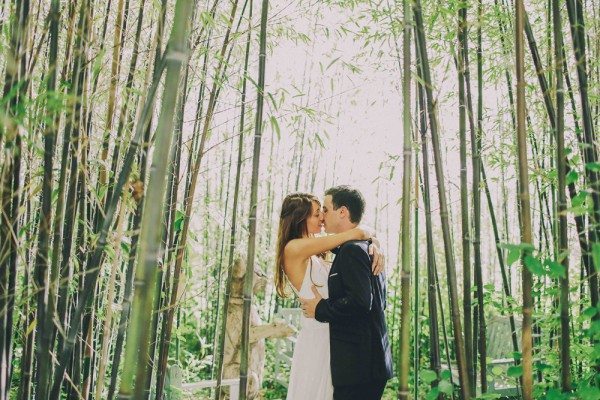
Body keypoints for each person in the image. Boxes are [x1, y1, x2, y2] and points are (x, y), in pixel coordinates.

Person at [274, 193, 385, 400]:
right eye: (317, 214)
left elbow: (362, 235)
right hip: (318, 337)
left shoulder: (316, 247)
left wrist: (374, 243)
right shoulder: (294, 248)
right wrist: (371, 240)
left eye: (323, 212)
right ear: (300, 218)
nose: (323, 218)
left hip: (336, 334)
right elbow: (358, 232)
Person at [300, 186, 394, 400]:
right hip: (369, 363)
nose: (322, 216)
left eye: (326, 209)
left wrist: (320, 309)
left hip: (359, 367)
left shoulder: (352, 251)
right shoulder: (361, 248)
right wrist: (373, 239)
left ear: (342, 212)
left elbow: (360, 302)